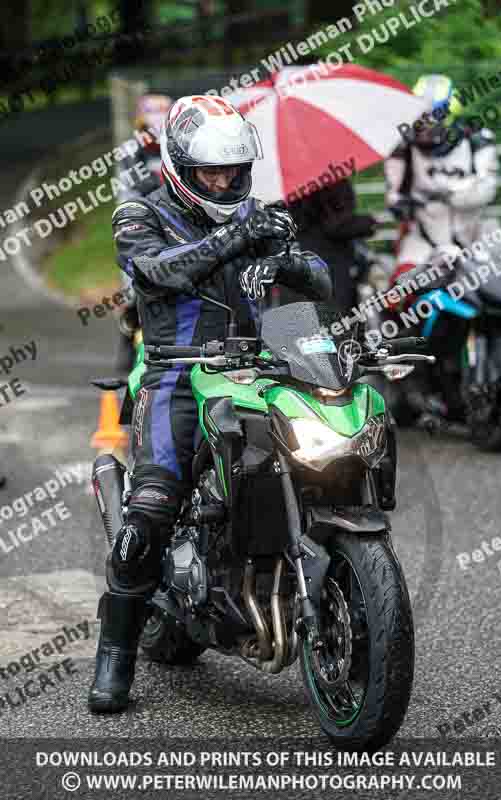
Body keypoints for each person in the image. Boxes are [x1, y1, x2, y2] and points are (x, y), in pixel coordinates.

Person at [88, 94, 332, 713]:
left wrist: (296, 260)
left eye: (233, 171)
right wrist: (237, 236)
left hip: (256, 367)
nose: (224, 182)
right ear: (180, 165)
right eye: (210, 172)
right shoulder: (139, 213)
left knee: (319, 462)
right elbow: (158, 273)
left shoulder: (255, 213)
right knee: (149, 514)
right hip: (175, 371)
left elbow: (319, 284)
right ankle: (115, 657)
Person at [384, 74, 499, 287]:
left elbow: (487, 190)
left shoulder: (478, 140)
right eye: (419, 120)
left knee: (499, 293)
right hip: (424, 240)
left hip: (474, 239)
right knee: (399, 291)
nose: (424, 130)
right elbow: (393, 195)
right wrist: (401, 205)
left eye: (431, 121)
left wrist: (447, 194)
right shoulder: (403, 147)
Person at [115, 94, 174, 372]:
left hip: (172, 226)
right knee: (132, 290)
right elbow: (139, 189)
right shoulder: (130, 151)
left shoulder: (175, 147)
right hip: (138, 224)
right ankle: (126, 348)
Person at [282, 179, 376, 312]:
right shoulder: (328, 180)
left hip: (298, 259)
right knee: (335, 317)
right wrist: (370, 223)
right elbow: (335, 225)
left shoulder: (291, 184)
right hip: (330, 262)